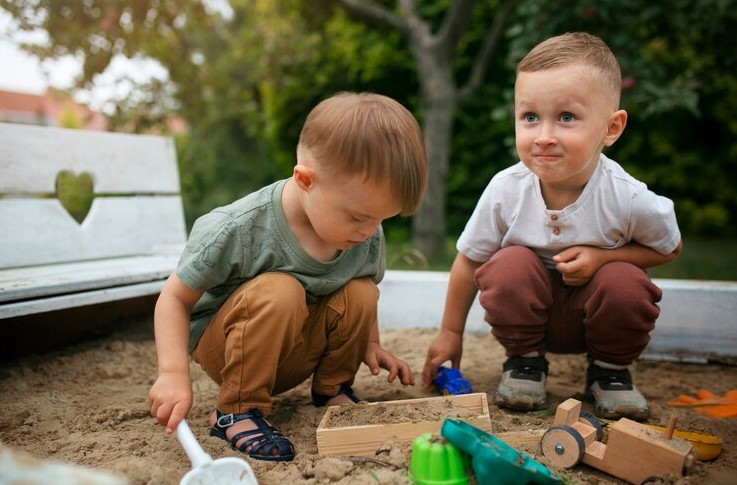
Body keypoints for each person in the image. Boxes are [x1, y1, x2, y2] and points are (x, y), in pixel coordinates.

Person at [148, 92, 427, 461]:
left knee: (361, 292)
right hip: (232, 347)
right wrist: (171, 372)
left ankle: (333, 391)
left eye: (382, 218)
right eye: (359, 217)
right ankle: (236, 411)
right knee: (280, 289)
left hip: (296, 347)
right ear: (306, 180)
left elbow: (361, 284)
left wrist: (370, 343)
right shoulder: (238, 228)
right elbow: (174, 299)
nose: (369, 230)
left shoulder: (364, 232)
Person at [422, 32, 682, 421]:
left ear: (611, 128)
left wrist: (602, 257)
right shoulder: (506, 190)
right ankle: (526, 365)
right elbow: (469, 261)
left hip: (596, 319)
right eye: (530, 117)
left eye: (566, 117)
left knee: (625, 279)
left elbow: (669, 247)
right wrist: (450, 332)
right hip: (526, 324)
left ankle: (610, 373)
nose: (544, 137)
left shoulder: (625, 196)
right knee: (507, 263)